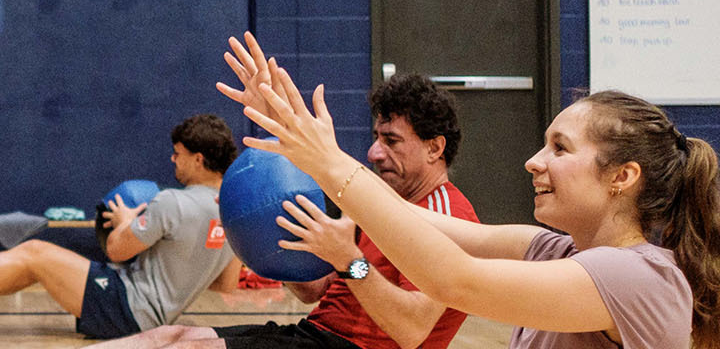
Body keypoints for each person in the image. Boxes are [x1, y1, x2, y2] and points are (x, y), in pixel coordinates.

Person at [215, 33, 720, 349]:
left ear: (622, 176)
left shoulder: (639, 274)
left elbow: (455, 280)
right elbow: (408, 219)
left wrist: (328, 166)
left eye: (559, 149)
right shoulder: (556, 250)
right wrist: (302, 140)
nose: (533, 162)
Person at [88, 74, 480, 349]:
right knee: (172, 336)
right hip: (316, 335)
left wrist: (349, 260)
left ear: (435, 148)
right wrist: (273, 247)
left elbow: (411, 330)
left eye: (392, 140)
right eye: (376, 138)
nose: (375, 153)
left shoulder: (449, 216)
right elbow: (313, 292)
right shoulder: (381, 201)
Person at [0, 115, 245, 339]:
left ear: (198, 159)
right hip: (150, 315)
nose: (173, 160)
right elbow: (226, 284)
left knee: (34, 254)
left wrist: (127, 222)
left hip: (128, 309)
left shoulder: (172, 202)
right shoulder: (233, 213)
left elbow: (117, 250)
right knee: (34, 268)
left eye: (178, 154)